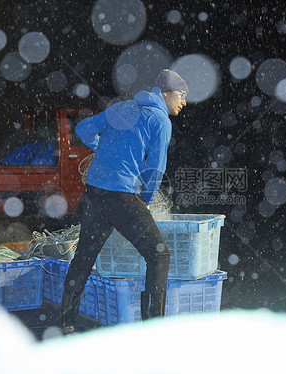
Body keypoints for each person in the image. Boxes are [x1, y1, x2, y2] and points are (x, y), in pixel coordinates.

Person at [61, 69, 188, 334]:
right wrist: (147, 199)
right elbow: (155, 168)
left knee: (84, 256)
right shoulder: (160, 121)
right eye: (180, 95)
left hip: (94, 193)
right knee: (159, 255)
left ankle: (68, 321)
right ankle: (152, 330)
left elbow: (83, 129)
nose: (183, 102)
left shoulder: (121, 108)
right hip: (121, 197)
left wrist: (102, 147)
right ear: (165, 94)